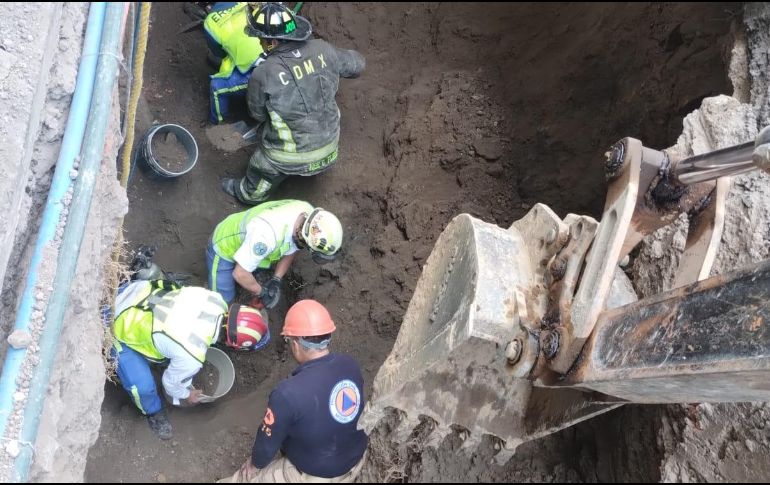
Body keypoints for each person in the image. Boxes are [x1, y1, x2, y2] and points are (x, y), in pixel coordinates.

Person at [220, 2, 366, 204]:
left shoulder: (263, 73)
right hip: (330, 148)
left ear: (270, 42)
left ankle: (248, 195)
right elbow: (358, 65)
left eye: (260, 38)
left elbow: (257, 115)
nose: (260, 43)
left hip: (287, 159)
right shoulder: (323, 49)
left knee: (261, 167)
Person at [220, 300, 367, 483]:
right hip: (356, 460)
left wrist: (254, 465)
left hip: (317, 475)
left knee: (242, 479)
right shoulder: (349, 364)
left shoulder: (288, 393)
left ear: (296, 344)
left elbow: (266, 445)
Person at [111, 278, 270, 439]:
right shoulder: (192, 355)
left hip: (137, 292)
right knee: (142, 387)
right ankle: (153, 412)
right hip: (117, 325)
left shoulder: (216, 299)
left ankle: (163, 352)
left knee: (172, 345)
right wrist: (188, 395)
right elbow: (170, 385)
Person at [207, 199, 343, 306]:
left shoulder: (308, 218)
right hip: (224, 246)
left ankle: (247, 269)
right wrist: (261, 292)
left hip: (252, 241)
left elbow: (295, 246)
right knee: (222, 300)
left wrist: (276, 279)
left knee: (253, 272)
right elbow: (239, 273)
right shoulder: (267, 236)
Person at [203, 2, 265, 123]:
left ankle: (219, 126)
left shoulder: (210, 22)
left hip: (259, 74)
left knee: (216, 87)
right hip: (279, 59)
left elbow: (219, 53)